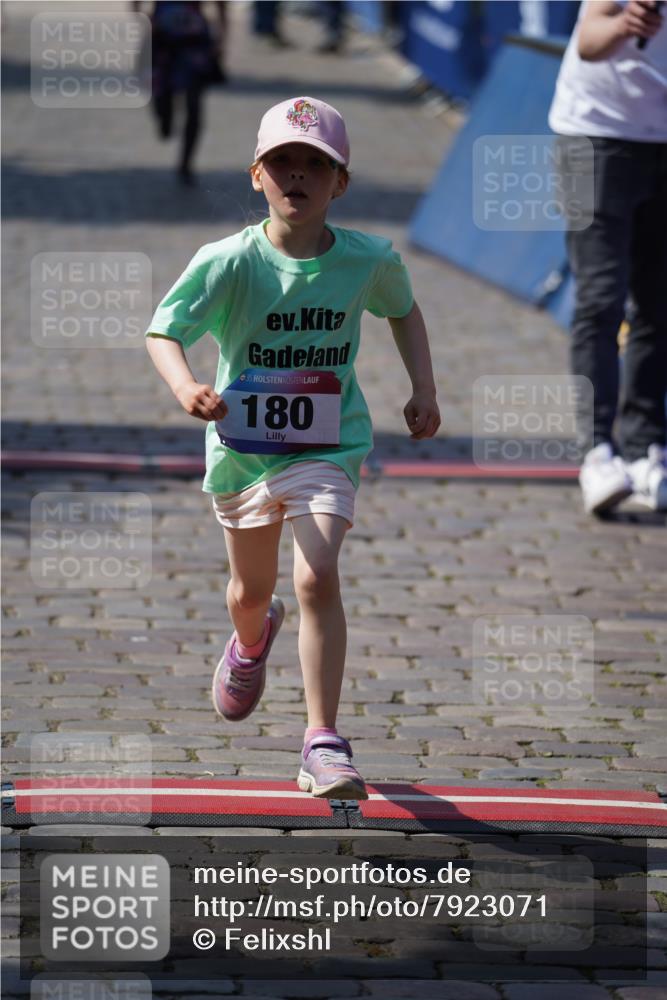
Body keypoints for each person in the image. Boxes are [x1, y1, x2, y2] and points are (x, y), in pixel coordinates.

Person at [144, 96, 440, 799]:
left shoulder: (368, 260)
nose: (297, 177)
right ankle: (251, 640)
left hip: (327, 446)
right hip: (243, 453)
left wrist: (422, 387)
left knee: (315, 577)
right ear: (256, 175)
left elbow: (403, 311)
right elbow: (164, 331)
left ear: (340, 182)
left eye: (315, 165)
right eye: (282, 163)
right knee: (251, 593)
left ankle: (322, 741)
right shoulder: (228, 262)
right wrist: (186, 387)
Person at [548, 0, 667, 514]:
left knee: (658, 305)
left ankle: (645, 450)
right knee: (601, 300)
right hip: (593, 137)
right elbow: (590, 40)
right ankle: (596, 451)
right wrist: (624, 23)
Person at [133, 1, 227, 186]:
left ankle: (186, 164)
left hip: (194, 43)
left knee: (194, 105)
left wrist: (221, 39)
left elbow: (221, 5)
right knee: (161, 97)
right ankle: (164, 118)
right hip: (162, 39)